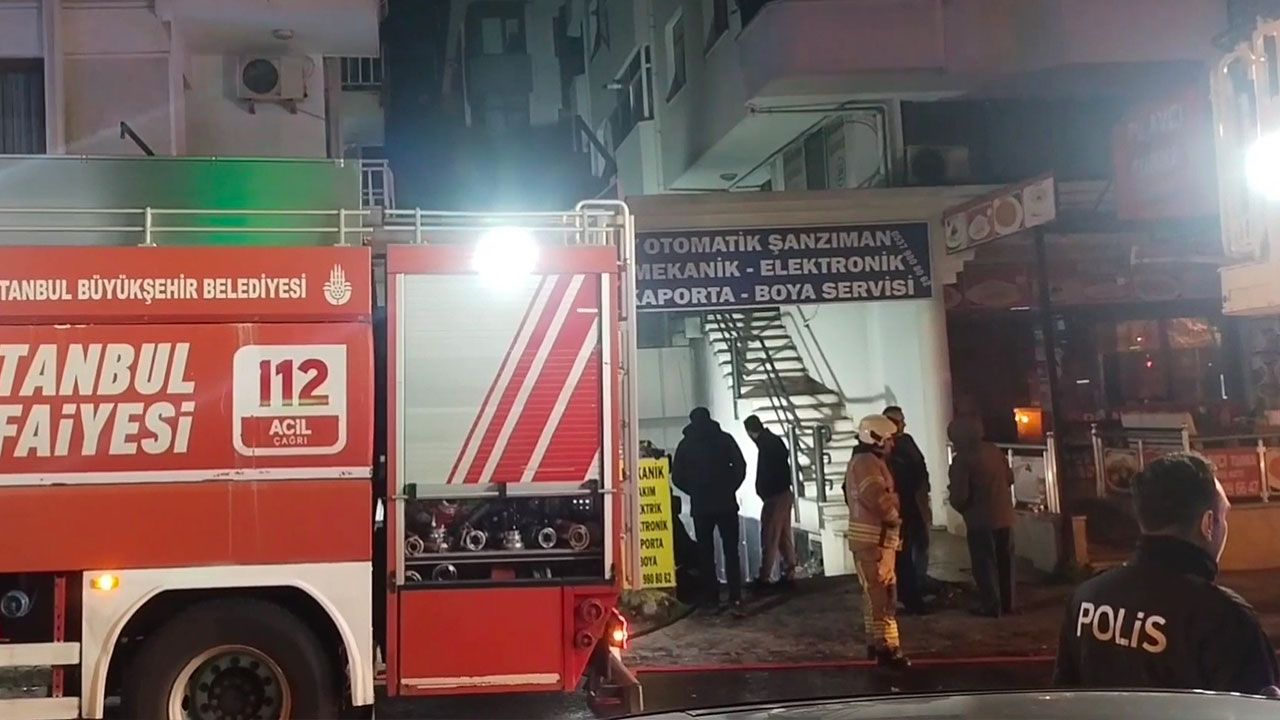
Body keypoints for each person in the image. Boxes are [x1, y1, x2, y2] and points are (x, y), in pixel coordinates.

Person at [1053, 453, 1280, 694]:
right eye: (1224, 515)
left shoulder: (1085, 598)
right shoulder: (1224, 618)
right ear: (1208, 524)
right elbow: (1254, 709)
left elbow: (1065, 697)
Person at [845, 414, 910, 669]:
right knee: (882, 597)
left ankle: (877, 643)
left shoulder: (863, 461)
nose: (892, 444)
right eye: (889, 439)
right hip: (876, 542)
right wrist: (894, 517)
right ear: (877, 439)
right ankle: (887, 648)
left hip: (874, 541)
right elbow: (875, 496)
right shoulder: (867, 464)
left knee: (875, 595)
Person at [672, 407, 748, 614]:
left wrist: (694, 491)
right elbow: (740, 466)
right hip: (726, 505)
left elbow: (677, 477)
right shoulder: (725, 439)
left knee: (706, 554)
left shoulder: (686, 445)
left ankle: (711, 598)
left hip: (701, 507)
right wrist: (730, 487)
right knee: (731, 551)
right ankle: (735, 597)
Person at [947, 414, 1016, 617]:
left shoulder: (962, 460)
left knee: (985, 564)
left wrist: (960, 506)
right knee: (1006, 563)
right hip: (1005, 516)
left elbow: (959, 495)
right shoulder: (993, 450)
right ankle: (1009, 604)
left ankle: (991, 606)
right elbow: (1009, 478)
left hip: (980, 520)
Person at [882, 406, 931, 614]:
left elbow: (920, 470)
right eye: (900, 421)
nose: (904, 424)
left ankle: (915, 586)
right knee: (903, 554)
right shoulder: (887, 450)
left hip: (910, 505)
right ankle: (909, 595)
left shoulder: (905, 443)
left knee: (917, 546)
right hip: (899, 509)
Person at [744, 415, 797, 590]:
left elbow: (766, 473)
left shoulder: (765, 445)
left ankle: (764, 576)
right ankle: (789, 571)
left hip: (774, 496)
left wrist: (763, 490)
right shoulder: (774, 441)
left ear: (750, 432)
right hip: (784, 493)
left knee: (770, 536)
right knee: (783, 535)